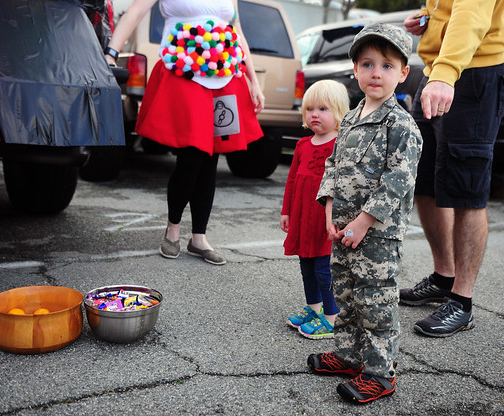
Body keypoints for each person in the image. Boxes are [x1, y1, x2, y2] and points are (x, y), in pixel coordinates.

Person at [306, 23, 422, 404]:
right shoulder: (351, 118)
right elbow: (332, 166)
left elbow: (397, 180)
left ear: (403, 73)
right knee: (347, 295)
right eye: (368, 63)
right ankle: (349, 354)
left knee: (375, 303)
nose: (376, 73)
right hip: (343, 229)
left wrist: (364, 221)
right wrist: (328, 209)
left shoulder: (401, 123)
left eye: (387, 66)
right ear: (355, 69)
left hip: (377, 236)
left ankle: (379, 372)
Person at [103, 0, 265, 266]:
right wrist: (111, 54)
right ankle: (173, 228)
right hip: (184, 74)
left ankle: (198, 237)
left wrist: (253, 81)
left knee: (212, 158)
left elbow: (236, 31)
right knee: (192, 155)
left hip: (225, 77)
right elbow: (134, 12)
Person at [400, 0, 504, 337]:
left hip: (472, 74)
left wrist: (445, 73)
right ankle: (443, 277)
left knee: (467, 192)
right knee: (424, 182)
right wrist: (427, 17)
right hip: (438, 72)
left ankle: (461, 302)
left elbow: (471, 14)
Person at [281, 80, 349, 340]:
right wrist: (286, 211)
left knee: (324, 268)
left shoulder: (340, 147)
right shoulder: (302, 145)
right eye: (309, 109)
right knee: (306, 265)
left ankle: (331, 318)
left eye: (323, 108)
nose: (314, 114)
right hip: (302, 218)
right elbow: (291, 181)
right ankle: (313, 309)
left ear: (339, 112)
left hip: (325, 222)